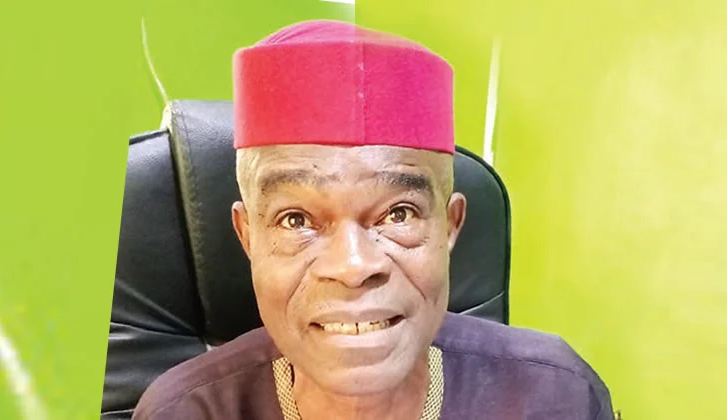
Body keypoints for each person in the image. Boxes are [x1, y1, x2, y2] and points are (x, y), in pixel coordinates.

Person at [131, 20, 614, 420]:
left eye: (398, 214)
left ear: (450, 226)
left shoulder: (557, 397)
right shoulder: (183, 411)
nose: (353, 266)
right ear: (248, 236)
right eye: (296, 220)